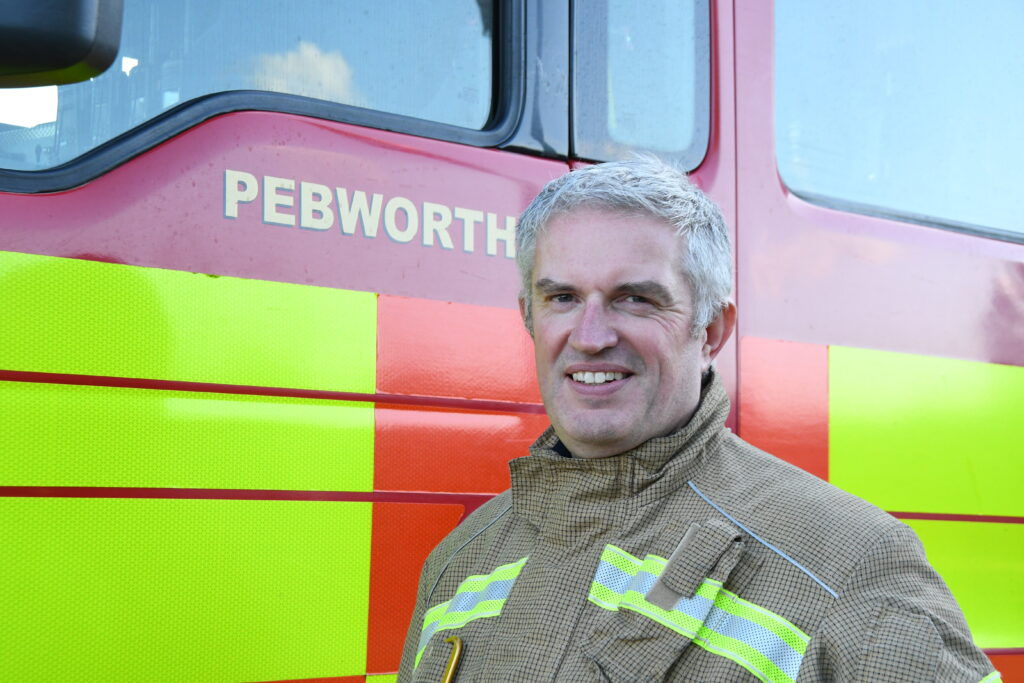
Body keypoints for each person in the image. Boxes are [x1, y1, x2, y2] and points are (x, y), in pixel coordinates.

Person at [397, 157, 999, 682]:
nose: (590, 336)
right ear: (529, 318)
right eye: (562, 298)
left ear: (710, 331)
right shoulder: (460, 562)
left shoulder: (851, 563)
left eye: (636, 299)